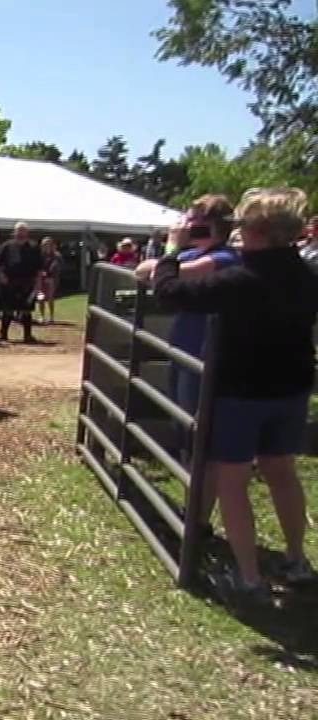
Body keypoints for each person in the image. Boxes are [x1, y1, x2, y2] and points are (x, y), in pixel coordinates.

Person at [152, 186, 317, 603]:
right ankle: (296, 560)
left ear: (258, 230)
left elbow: (169, 293)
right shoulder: (305, 275)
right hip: (291, 389)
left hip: (239, 392)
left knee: (232, 481)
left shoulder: (243, 279)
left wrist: (172, 250)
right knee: (282, 471)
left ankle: (248, 577)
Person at [135, 195, 240, 417]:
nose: (185, 225)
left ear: (212, 225)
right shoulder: (191, 254)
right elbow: (142, 271)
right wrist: (171, 260)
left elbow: (167, 273)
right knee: (180, 417)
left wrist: (172, 247)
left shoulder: (225, 258)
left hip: (205, 353)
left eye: (193, 220)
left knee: (194, 421)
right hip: (184, 347)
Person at [0, 222, 41, 343]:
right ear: (14, 232)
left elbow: (39, 268)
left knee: (26, 310)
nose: (20, 233)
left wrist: (37, 284)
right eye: (18, 231)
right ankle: (3, 334)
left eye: (22, 231)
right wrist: (2, 276)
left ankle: (27, 335)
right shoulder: (7, 246)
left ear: (27, 232)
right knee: (7, 310)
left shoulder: (34, 247)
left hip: (27, 282)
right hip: (9, 282)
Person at [36, 237, 62, 325]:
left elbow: (56, 267)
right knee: (40, 298)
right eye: (45, 244)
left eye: (48, 244)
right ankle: (42, 316)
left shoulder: (56, 255)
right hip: (40, 279)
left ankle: (51, 316)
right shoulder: (39, 255)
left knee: (50, 298)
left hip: (51, 279)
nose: (47, 245)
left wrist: (49, 274)